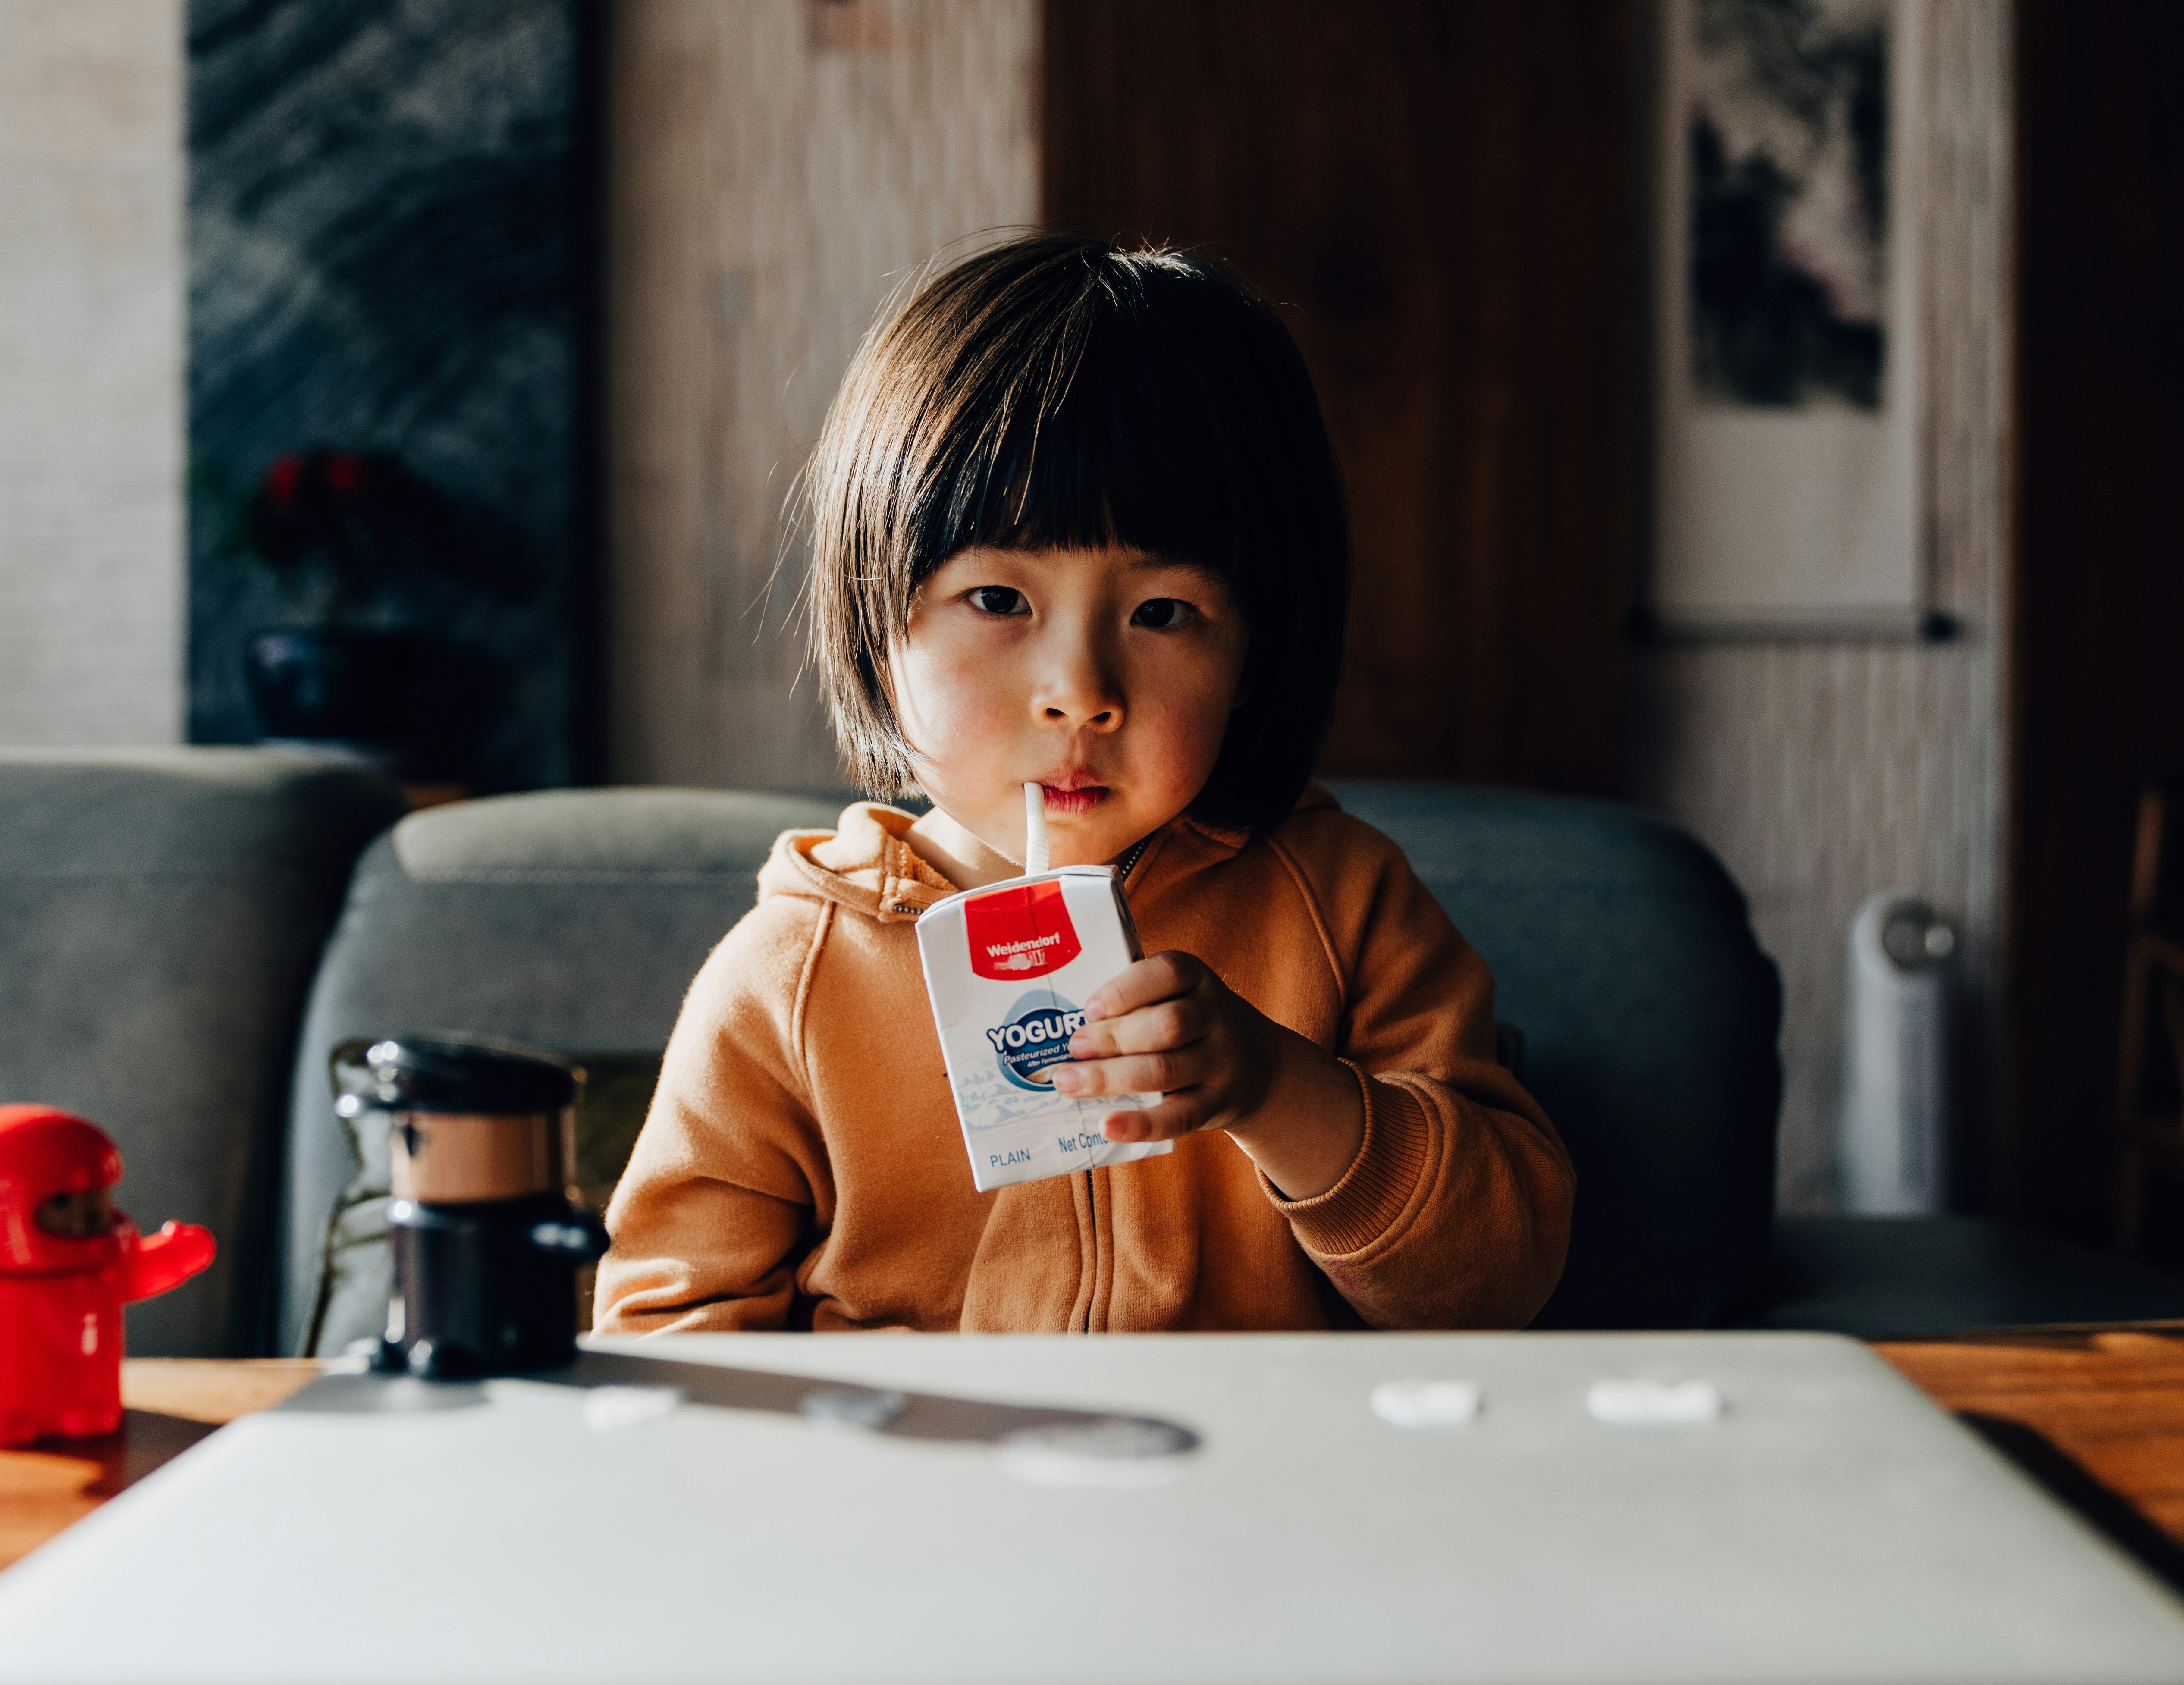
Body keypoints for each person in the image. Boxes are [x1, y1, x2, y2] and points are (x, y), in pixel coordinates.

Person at [593, 234, 1573, 1333]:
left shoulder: (1342, 903)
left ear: (1255, 656)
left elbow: (1497, 1282)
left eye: (1162, 613)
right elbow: (667, 1326)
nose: (1079, 691)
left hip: (1258, 1488)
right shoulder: (793, 974)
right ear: (878, 627)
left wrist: (1274, 1086)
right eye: (1000, 601)